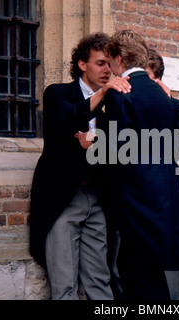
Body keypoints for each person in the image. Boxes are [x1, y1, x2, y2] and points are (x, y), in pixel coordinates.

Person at [29, 32, 131, 300]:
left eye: (110, 64)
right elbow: (66, 123)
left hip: (99, 198)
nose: (107, 70)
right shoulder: (58, 92)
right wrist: (101, 96)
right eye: (100, 63)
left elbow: (122, 145)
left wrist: (154, 87)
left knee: (99, 281)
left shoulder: (115, 102)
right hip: (63, 198)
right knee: (64, 285)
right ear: (82, 65)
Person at [99, 30, 179, 300]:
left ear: (119, 59)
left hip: (134, 203)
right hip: (163, 199)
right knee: (156, 282)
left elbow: (113, 155)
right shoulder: (163, 96)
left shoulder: (120, 93)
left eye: (109, 62)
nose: (109, 70)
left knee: (137, 281)